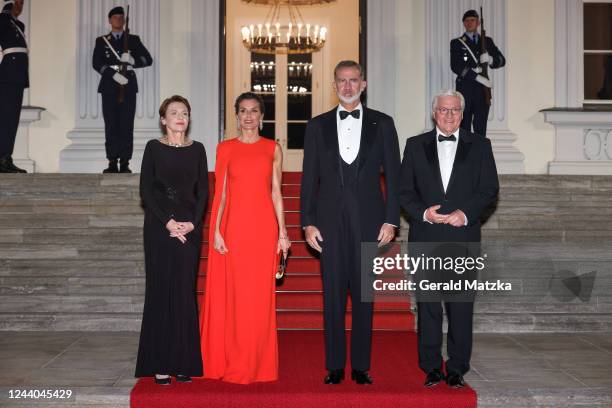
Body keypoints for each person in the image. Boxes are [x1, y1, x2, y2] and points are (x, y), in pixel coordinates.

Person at [300, 60, 401, 385]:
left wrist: (391, 219)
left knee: (362, 297)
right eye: (341, 81)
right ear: (334, 85)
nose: (347, 86)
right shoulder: (316, 126)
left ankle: (360, 366)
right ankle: (333, 365)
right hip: (328, 223)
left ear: (364, 84)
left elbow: (395, 178)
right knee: (331, 297)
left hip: (370, 221)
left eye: (353, 80)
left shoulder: (383, 124)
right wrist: (307, 222)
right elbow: (308, 179)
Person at [399, 90, 499, 388]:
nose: (449, 115)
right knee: (428, 306)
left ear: (463, 112)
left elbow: (489, 189)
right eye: (444, 110)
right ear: (434, 113)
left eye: (455, 110)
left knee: (460, 307)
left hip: (463, 236)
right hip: (426, 236)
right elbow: (404, 192)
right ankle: (431, 366)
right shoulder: (415, 146)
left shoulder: (481, 146)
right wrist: (424, 213)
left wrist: (465, 213)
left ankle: (457, 367)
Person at [200, 92, 290, 384]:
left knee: (259, 300)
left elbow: (276, 193)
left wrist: (283, 233)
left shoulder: (272, 148)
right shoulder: (225, 148)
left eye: (253, 111)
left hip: (263, 232)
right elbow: (222, 193)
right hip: (235, 231)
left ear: (262, 116)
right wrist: (216, 231)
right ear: (237, 117)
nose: (248, 116)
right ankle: (234, 361)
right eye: (243, 111)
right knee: (236, 298)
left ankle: (259, 364)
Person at [135, 95, 208, 385]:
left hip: (189, 230)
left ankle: (183, 361)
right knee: (160, 292)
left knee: (183, 295)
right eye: (174, 112)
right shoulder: (153, 148)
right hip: (159, 228)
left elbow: (203, 190)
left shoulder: (198, 149)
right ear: (164, 119)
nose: (180, 117)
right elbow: (146, 190)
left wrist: (192, 224)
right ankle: (160, 363)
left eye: (185, 113)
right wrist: (167, 222)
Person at [92, 6, 153, 174]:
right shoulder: (102, 41)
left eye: (121, 17)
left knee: (126, 124)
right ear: (110, 20)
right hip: (109, 87)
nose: (118, 20)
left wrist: (133, 60)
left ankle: (125, 162)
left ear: (124, 21)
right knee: (111, 124)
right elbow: (96, 62)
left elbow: (148, 59)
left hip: (128, 87)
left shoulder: (133, 39)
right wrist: (113, 74)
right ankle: (112, 161)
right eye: (115, 17)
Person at [451, 9, 505, 138]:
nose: (470, 23)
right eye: (467, 20)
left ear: (478, 23)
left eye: (473, 20)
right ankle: (465, 157)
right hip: (465, 89)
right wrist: (477, 77)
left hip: (482, 91)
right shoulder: (457, 43)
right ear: (464, 23)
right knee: (464, 128)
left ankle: (480, 156)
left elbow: (502, 60)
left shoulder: (487, 41)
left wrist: (491, 59)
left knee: (481, 128)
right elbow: (456, 66)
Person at [0, 0, 28, 173]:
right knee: (5, 119)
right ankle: (2, 159)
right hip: (8, 76)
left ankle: (6, 157)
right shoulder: (3, 20)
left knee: (12, 119)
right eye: (18, 1)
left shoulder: (18, 25)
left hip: (17, 76)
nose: (21, 5)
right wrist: (6, 11)